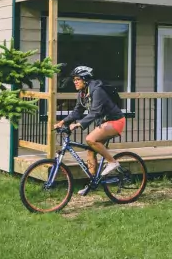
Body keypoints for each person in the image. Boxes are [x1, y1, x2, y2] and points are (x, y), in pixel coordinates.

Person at [53, 66, 126, 195]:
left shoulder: (97, 90)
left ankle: (112, 162)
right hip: (103, 123)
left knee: (90, 139)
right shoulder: (82, 93)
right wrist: (63, 122)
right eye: (74, 79)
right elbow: (77, 111)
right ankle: (91, 184)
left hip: (115, 121)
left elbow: (95, 112)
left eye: (77, 79)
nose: (75, 82)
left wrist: (79, 125)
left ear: (85, 79)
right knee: (90, 152)